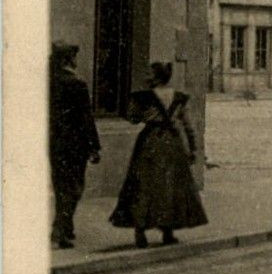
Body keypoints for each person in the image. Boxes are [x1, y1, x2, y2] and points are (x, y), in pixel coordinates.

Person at [109, 62, 208, 248]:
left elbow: (133, 119)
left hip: (150, 142)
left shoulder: (142, 97)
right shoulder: (179, 98)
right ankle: (167, 232)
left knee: (143, 185)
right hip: (172, 144)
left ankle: (140, 232)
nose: (145, 76)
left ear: (156, 77)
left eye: (148, 73)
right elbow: (188, 126)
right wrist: (193, 150)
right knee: (170, 187)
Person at [49, 43, 100, 249]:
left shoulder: (50, 82)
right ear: (68, 60)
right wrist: (94, 147)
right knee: (74, 188)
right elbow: (86, 118)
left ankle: (65, 227)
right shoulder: (77, 83)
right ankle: (60, 229)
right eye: (74, 56)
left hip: (55, 143)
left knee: (61, 185)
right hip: (75, 145)